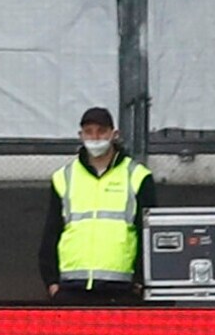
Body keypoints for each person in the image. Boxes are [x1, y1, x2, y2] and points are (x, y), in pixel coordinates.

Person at [38, 107, 155, 304]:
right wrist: (51, 283)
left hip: (122, 289)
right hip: (72, 288)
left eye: (101, 131)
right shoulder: (64, 177)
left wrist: (139, 282)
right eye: (89, 131)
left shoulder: (137, 176)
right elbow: (51, 232)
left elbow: (148, 234)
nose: (95, 137)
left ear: (114, 134)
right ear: (80, 135)